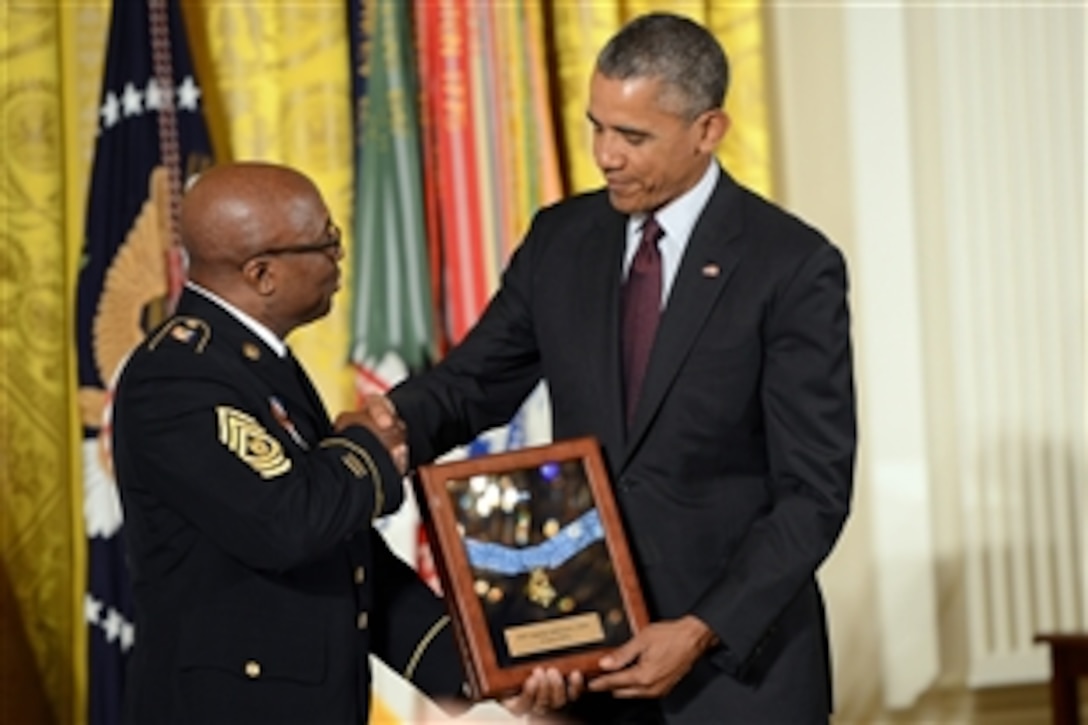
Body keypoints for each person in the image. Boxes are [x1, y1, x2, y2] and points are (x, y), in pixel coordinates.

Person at [374, 12, 856, 724]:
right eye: (596, 126)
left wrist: (700, 628)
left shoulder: (790, 264)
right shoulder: (561, 240)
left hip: (739, 675)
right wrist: (382, 427)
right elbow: (472, 384)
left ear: (708, 129)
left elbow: (813, 494)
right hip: (592, 662)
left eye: (633, 136)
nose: (606, 155)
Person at [111, 162, 576, 723]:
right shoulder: (178, 378)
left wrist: (481, 670)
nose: (339, 258)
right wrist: (369, 444)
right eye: (326, 243)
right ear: (262, 274)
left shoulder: (255, 365)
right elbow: (290, 522)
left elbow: (348, 561)